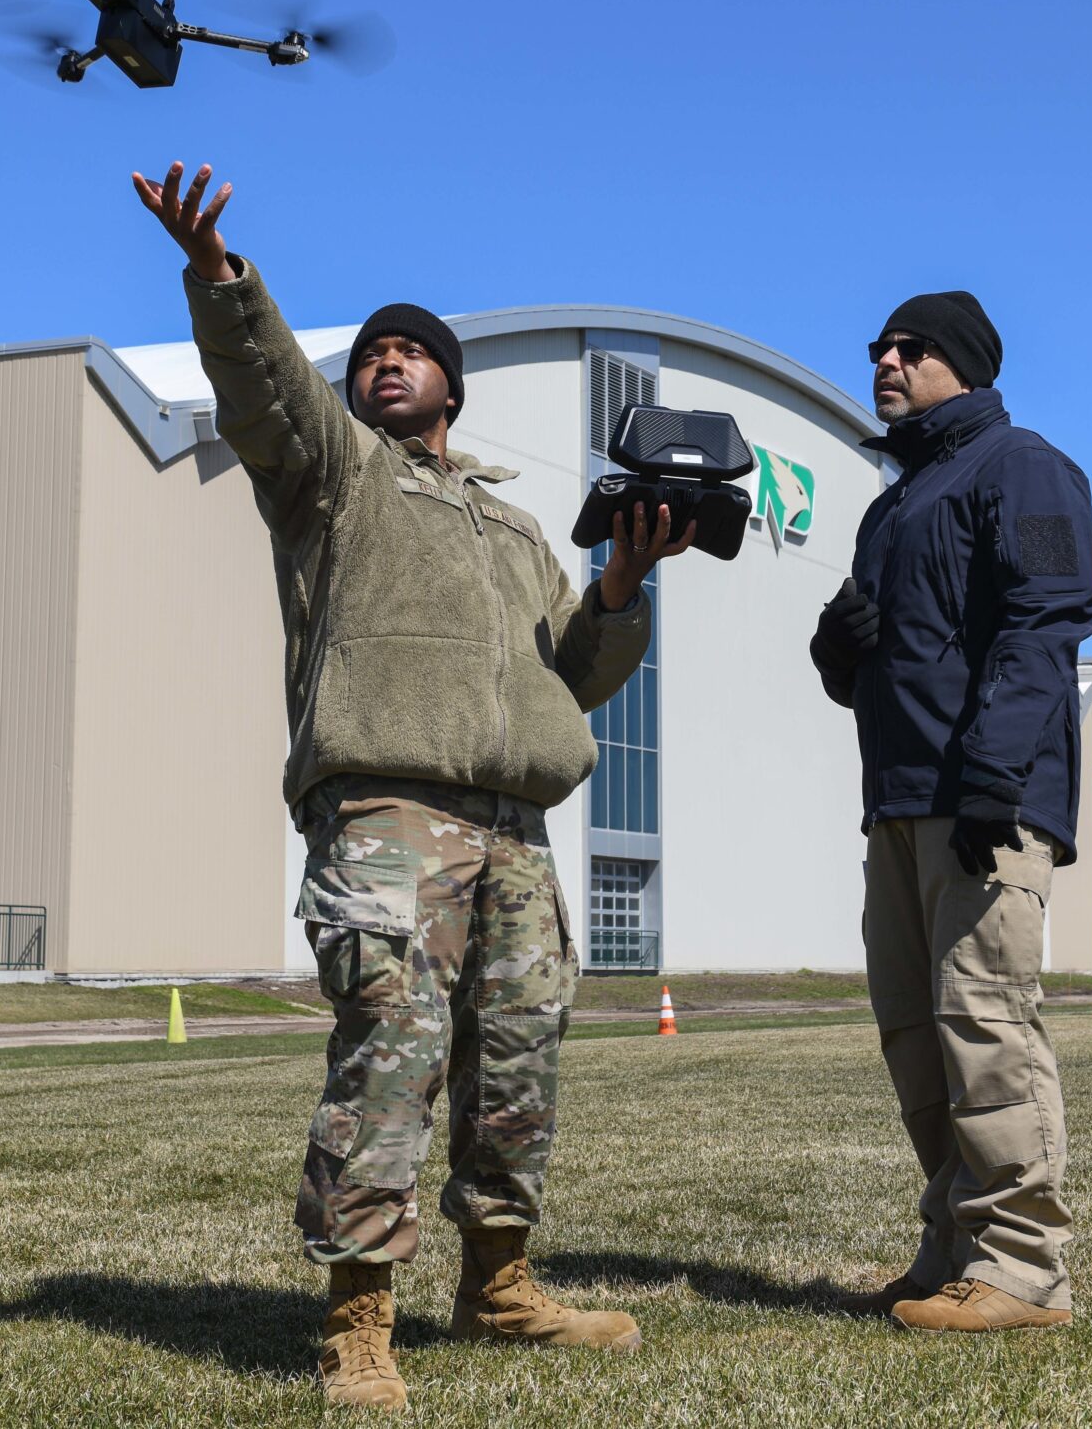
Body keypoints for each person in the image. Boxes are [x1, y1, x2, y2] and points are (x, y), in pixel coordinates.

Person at [132, 160, 695, 1411]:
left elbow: (576, 677)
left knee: (517, 1066)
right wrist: (221, 281)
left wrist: (617, 589)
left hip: (518, 831)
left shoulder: (515, 529)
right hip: (390, 812)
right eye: (372, 352)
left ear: (452, 384)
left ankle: (498, 1285)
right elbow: (266, 386)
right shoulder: (335, 478)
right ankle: (356, 1321)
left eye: (410, 351)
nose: (386, 361)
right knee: (390, 1051)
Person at [808, 291, 1092, 1333]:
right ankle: (951, 1248)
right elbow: (881, 671)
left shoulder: (1022, 466)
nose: (885, 359)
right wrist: (837, 648)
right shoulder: (895, 504)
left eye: (910, 347)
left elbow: (1047, 622)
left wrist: (992, 779)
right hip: (898, 801)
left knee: (982, 1023)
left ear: (963, 365)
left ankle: (1022, 1270)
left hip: (985, 799)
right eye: (880, 346)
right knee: (914, 1038)